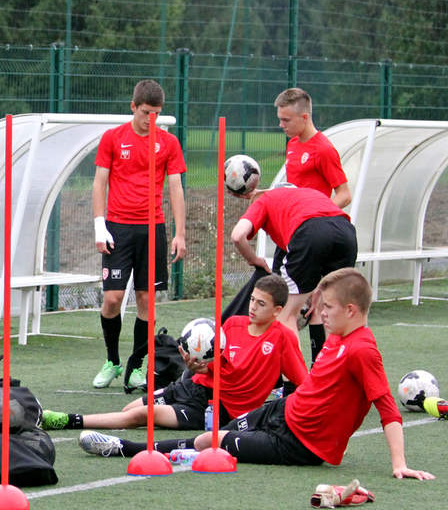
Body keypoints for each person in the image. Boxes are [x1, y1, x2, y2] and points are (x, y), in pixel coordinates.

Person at [77, 269, 435, 481]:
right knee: (215, 435)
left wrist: (399, 464)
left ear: (352, 310)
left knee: (210, 442)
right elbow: (310, 387)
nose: (319, 314)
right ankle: (159, 448)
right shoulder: (338, 337)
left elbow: (386, 406)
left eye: (327, 308)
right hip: (280, 413)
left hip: (298, 445)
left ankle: (129, 449)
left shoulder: (362, 349)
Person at [42, 274, 306, 431]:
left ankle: (69, 421)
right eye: (252, 300)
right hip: (194, 389)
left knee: (141, 416)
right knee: (130, 408)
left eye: (261, 304)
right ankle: (72, 421)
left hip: (217, 409)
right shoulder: (234, 325)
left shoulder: (283, 339)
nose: (252, 307)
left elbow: (303, 383)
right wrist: (197, 367)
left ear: (277, 311)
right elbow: (217, 366)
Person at [92, 79, 187, 393]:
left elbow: (175, 188)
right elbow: (99, 183)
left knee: (146, 300)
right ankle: (112, 360)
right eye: (146, 112)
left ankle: (136, 367)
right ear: (133, 107)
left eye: (157, 113)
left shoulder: (168, 144)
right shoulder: (113, 138)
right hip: (118, 228)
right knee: (112, 300)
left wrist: (179, 233)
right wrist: (99, 225)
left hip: (153, 229)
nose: (151, 118)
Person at [230, 183, 357, 356]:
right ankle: (327, 371)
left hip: (308, 231)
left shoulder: (266, 200)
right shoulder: (310, 193)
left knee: (286, 314)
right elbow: (326, 229)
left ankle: (292, 381)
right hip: (346, 231)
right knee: (331, 310)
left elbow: (237, 236)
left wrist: (254, 260)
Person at [274, 87, 352, 345]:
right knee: (283, 299)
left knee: (312, 304)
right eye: (280, 118)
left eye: (286, 120)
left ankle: (315, 369)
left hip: (311, 236)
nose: (281, 124)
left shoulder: (324, 149)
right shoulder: (293, 145)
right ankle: (290, 372)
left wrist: (318, 218)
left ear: (304, 117)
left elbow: (344, 193)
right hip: (290, 233)